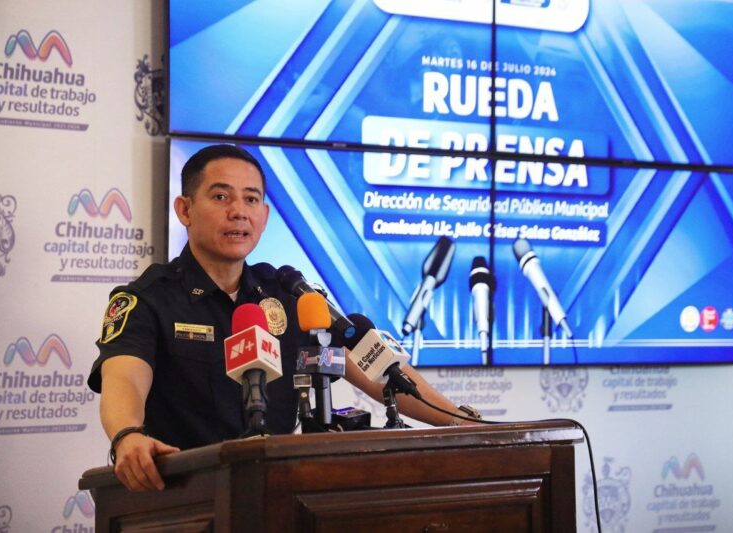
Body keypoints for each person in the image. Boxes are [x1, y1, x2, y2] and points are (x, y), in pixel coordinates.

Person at [88, 144, 479, 492]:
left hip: (279, 496)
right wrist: (127, 435)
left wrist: (462, 424)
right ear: (185, 210)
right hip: (188, 498)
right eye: (221, 196)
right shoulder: (149, 299)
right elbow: (124, 378)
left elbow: (376, 372)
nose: (238, 212)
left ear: (264, 215)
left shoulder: (288, 295)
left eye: (251, 199)